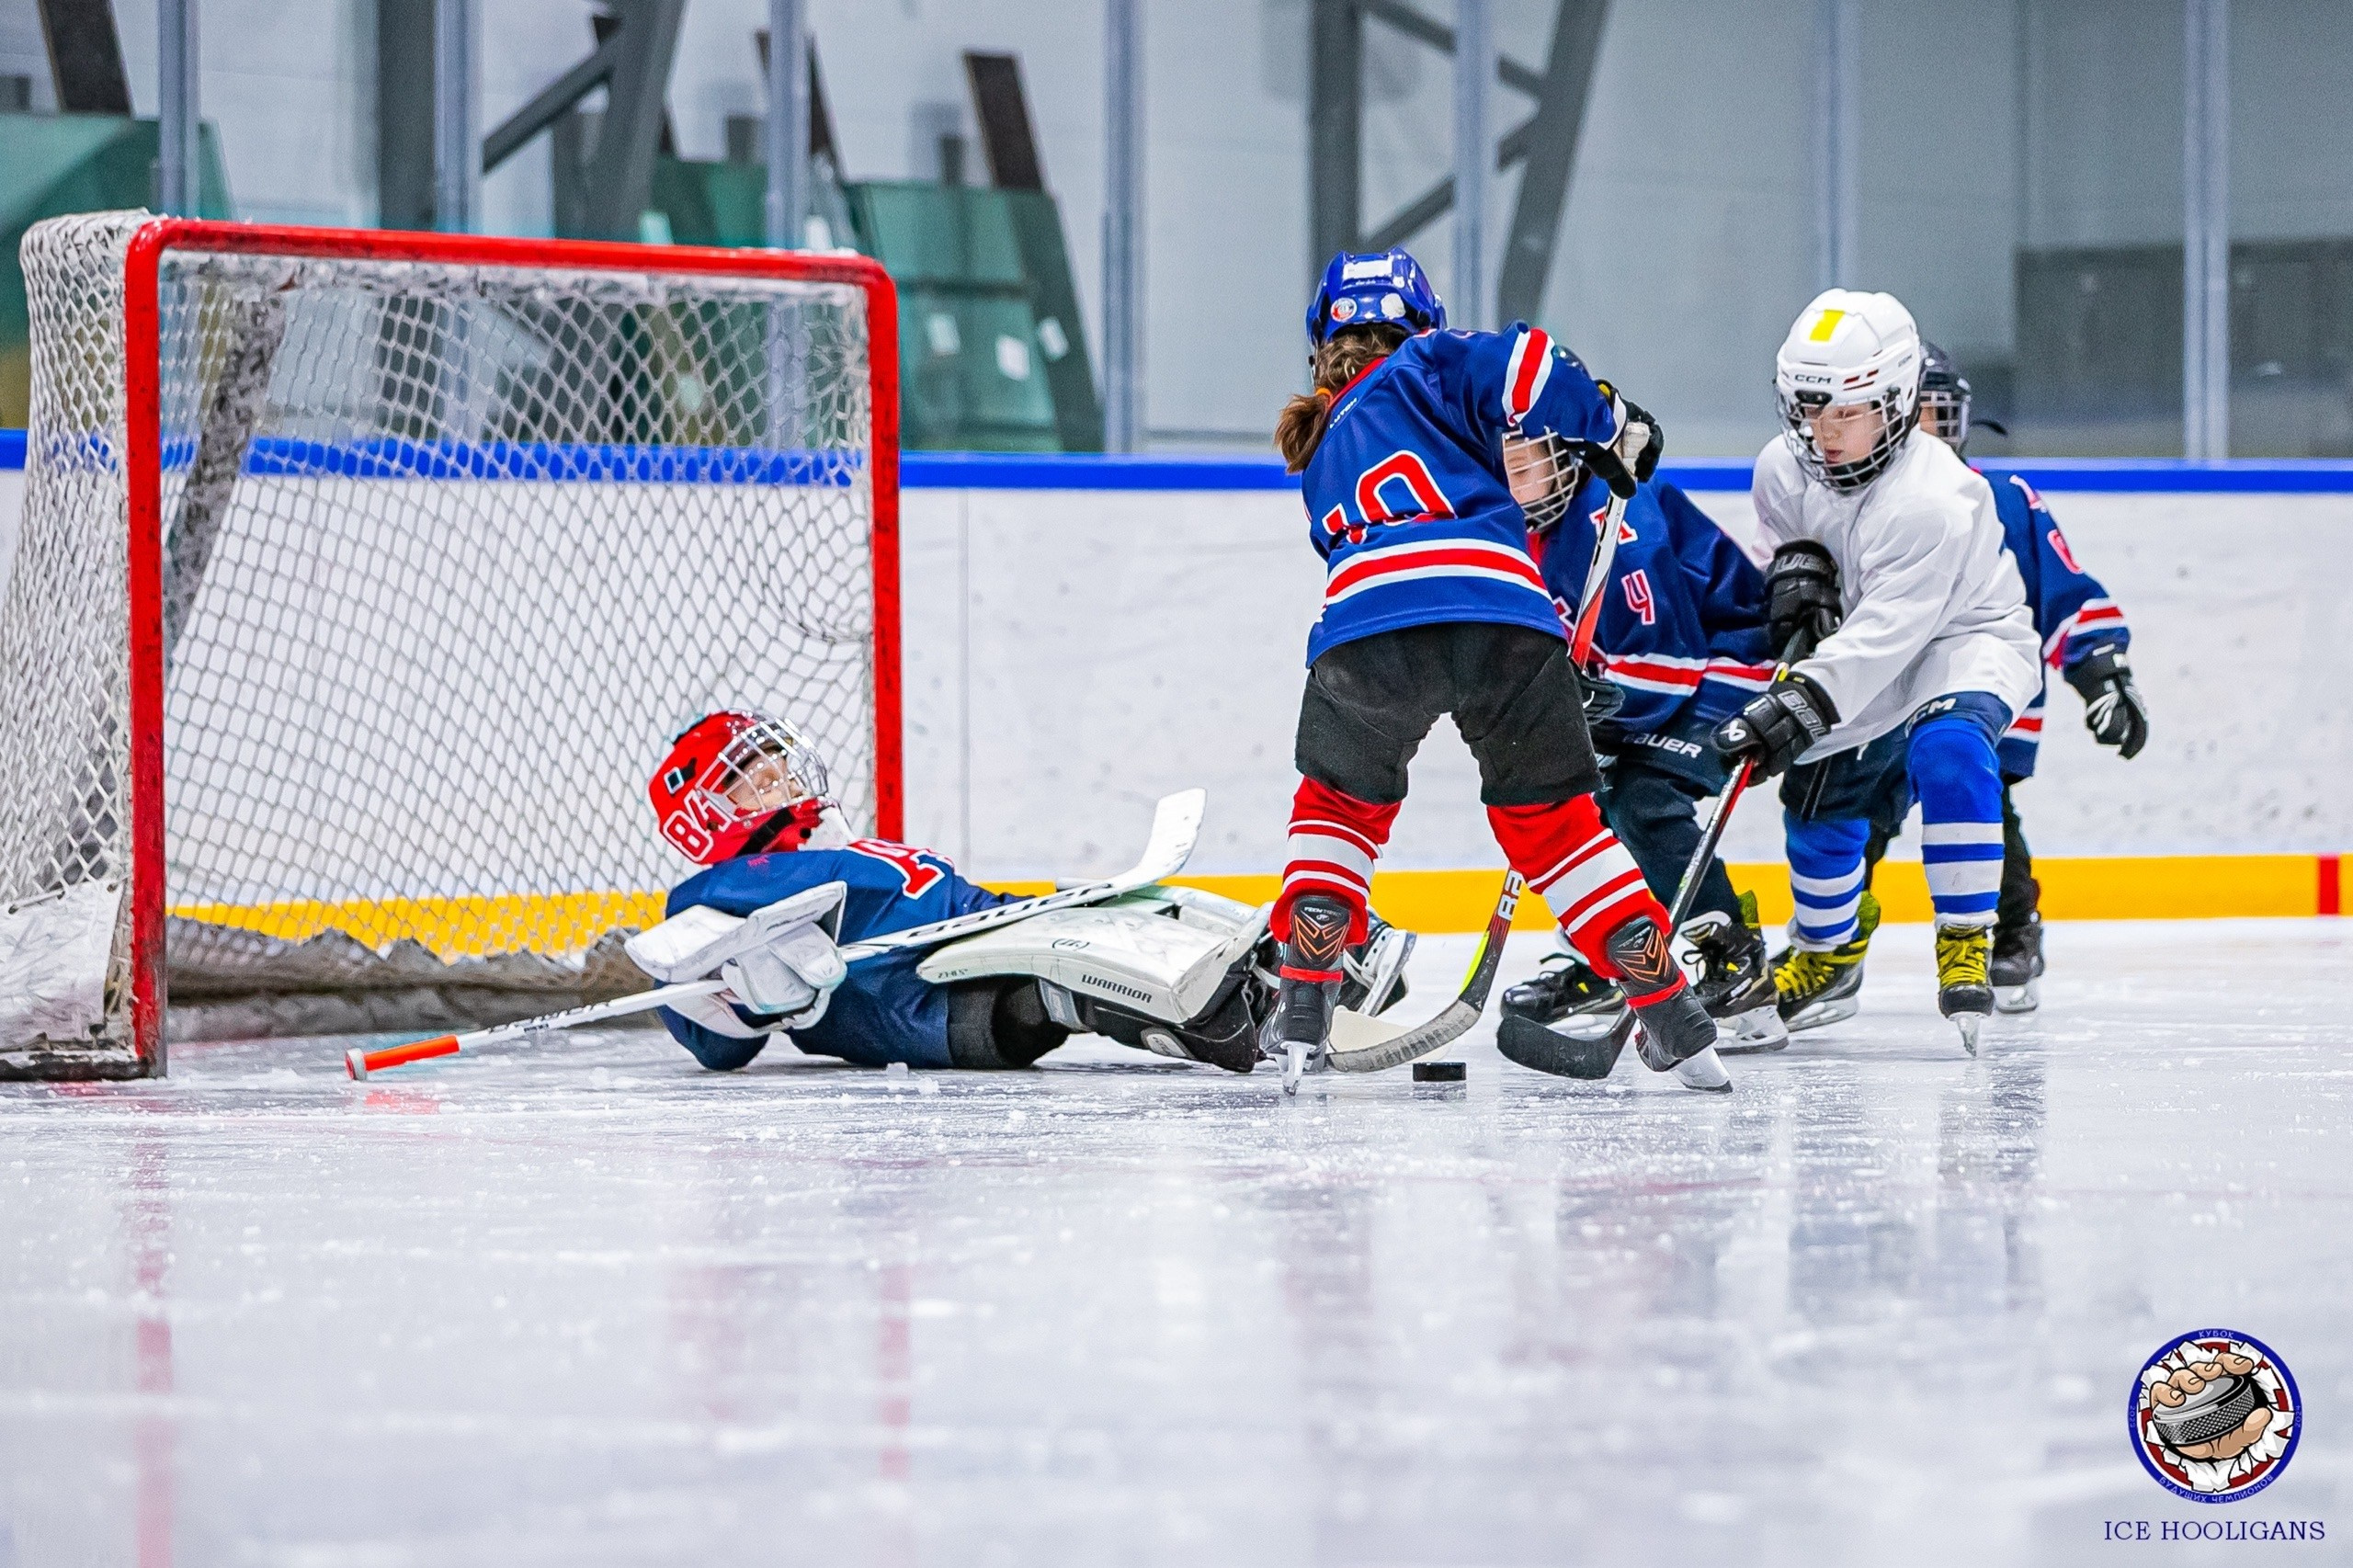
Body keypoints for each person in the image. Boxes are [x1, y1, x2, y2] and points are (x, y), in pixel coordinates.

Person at [1265, 246, 1720, 1089]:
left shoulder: (1319, 446)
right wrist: (1613, 420)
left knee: (1339, 808)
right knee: (1560, 825)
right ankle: (1674, 1016)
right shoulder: (1432, 362)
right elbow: (1531, 363)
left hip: (1366, 625)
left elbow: (1368, 557)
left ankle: (1302, 1006)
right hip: (1504, 617)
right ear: (1420, 323)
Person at [640, 712, 1415, 1075]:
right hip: (911, 995)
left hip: (971, 926)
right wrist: (748, 999)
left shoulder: (825, 845)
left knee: (1136, 909)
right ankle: (1247, 1027)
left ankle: (1310, 957)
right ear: (704, 812)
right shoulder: (711, 891)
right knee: (1071, 970)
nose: (777, 779)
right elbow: (713, 1036)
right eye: (750, 776)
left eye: (775, 762)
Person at [1712, 290, 2042, 1052]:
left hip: (1961, 643)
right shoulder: (1780, 469)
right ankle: (1828, 954)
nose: (1822, 433)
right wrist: (1791, 576)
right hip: (1855, 651)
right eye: (1808, 410)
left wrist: (1796, 703)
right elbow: (1790, 556)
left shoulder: (1937, 499)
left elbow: (1893, 636)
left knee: (1949, 748)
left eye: (1846, 414)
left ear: (1897, 402)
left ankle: (1966, 932)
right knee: (1816, 802)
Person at [1854, 340, 2147, 1011]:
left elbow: (2064, 589)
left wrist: (2103, 671)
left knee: (1989, 817)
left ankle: (2014, 933)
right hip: (1878, 700)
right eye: (1917, 413)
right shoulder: (1856, 503)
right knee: (1856, 819)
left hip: (1977, 692)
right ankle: (1832, 945)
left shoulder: (2004, 498)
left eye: (1942, 412)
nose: (1932, 429)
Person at [1497, 465, 1786, 1050]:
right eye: (1505, 451)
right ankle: (1601, 954)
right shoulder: (1507, 524)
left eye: (1532, 451)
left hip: (1722, 671)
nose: (1516, 469)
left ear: (1571, 454)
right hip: (1637, 688)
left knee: (1641, 800)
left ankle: (1733, 955)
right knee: (1571, 807)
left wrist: (1585, 710)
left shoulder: (1615, 519)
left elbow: (1668, 660)